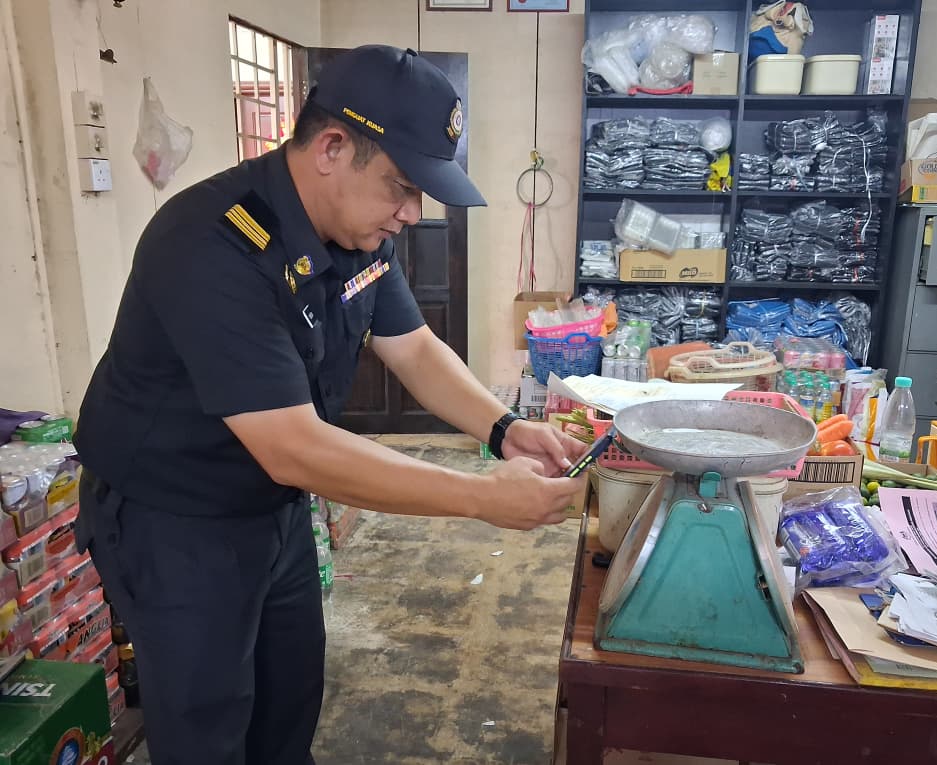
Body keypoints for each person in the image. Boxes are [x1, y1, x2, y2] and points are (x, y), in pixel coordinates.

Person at [72, 44, 586, 765]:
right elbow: (295, 447)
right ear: (332, 149)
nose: (411, 214)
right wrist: (481, 498)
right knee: (208, 730)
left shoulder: (357, 233)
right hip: (175, 519)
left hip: (271, 507)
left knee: (289, 706)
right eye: (401, 187)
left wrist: (504, 430)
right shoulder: (209, 243)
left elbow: (413, 347)